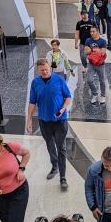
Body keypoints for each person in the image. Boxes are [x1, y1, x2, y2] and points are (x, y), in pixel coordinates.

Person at [27, 59, 71, 190]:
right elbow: (32, 102)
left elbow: (68, 96)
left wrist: (63, 108)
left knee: (61, 148)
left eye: (46, 69)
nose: (45, 72)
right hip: (44, 120)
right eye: (42, 70)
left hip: (60, 120)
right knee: (50, 145)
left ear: (49, 68)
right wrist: (29, 120)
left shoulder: (59, 80)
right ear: (38, 70)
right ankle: (54, 166)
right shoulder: (35, 83)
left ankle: (63, 177)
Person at [85, 26, 107, 104]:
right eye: (91, 32)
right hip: (91, 64)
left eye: (93, 31)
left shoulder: (103, 41)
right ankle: (95, 94)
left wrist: (91, 50)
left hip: (100, 64)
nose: (92, 33)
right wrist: (94, 50)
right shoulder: (88, 40)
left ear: (97, 32)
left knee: (102, 81)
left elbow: (103, 52)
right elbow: (86, 52)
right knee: (89, 80)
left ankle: (103, 95)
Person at [75, 9, 96, 75]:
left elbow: (96, 32)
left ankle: (92, 70)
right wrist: (76, 43)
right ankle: (85, 66)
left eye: (85, 13)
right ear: (81, 15)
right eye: (83, 14)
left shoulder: (92, 22)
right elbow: (77, 33)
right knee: (83, 57)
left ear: (88, 14)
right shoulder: (79, 23)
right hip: (83, 43)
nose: (84, 15)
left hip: (92, 43)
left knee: (93, 57)